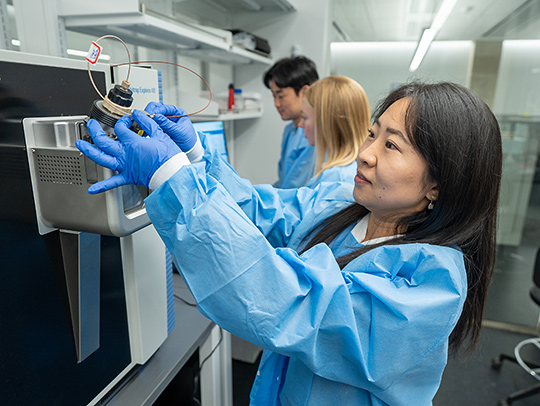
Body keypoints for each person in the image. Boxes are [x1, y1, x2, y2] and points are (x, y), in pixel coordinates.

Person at [76, 82, 502, 405]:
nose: (366, 153)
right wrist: (193, 159)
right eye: (372, 135)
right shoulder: (345, 207)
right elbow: (264, 212)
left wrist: (171, 179)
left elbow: (296, 305)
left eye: (391, 145)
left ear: (438, 186)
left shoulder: (430, 286)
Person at [299, 75, 370, 187]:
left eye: (305, 117)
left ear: (325, 123)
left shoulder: (335, 179)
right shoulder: (353, 171)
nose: (300, 124)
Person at [263, 55, 319, 189]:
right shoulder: (290, 130)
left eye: (281, 96)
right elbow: (283, 184)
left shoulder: (311, 136)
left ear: (304, 92)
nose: (276, 104)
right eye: (274, 96)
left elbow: (294, 192)